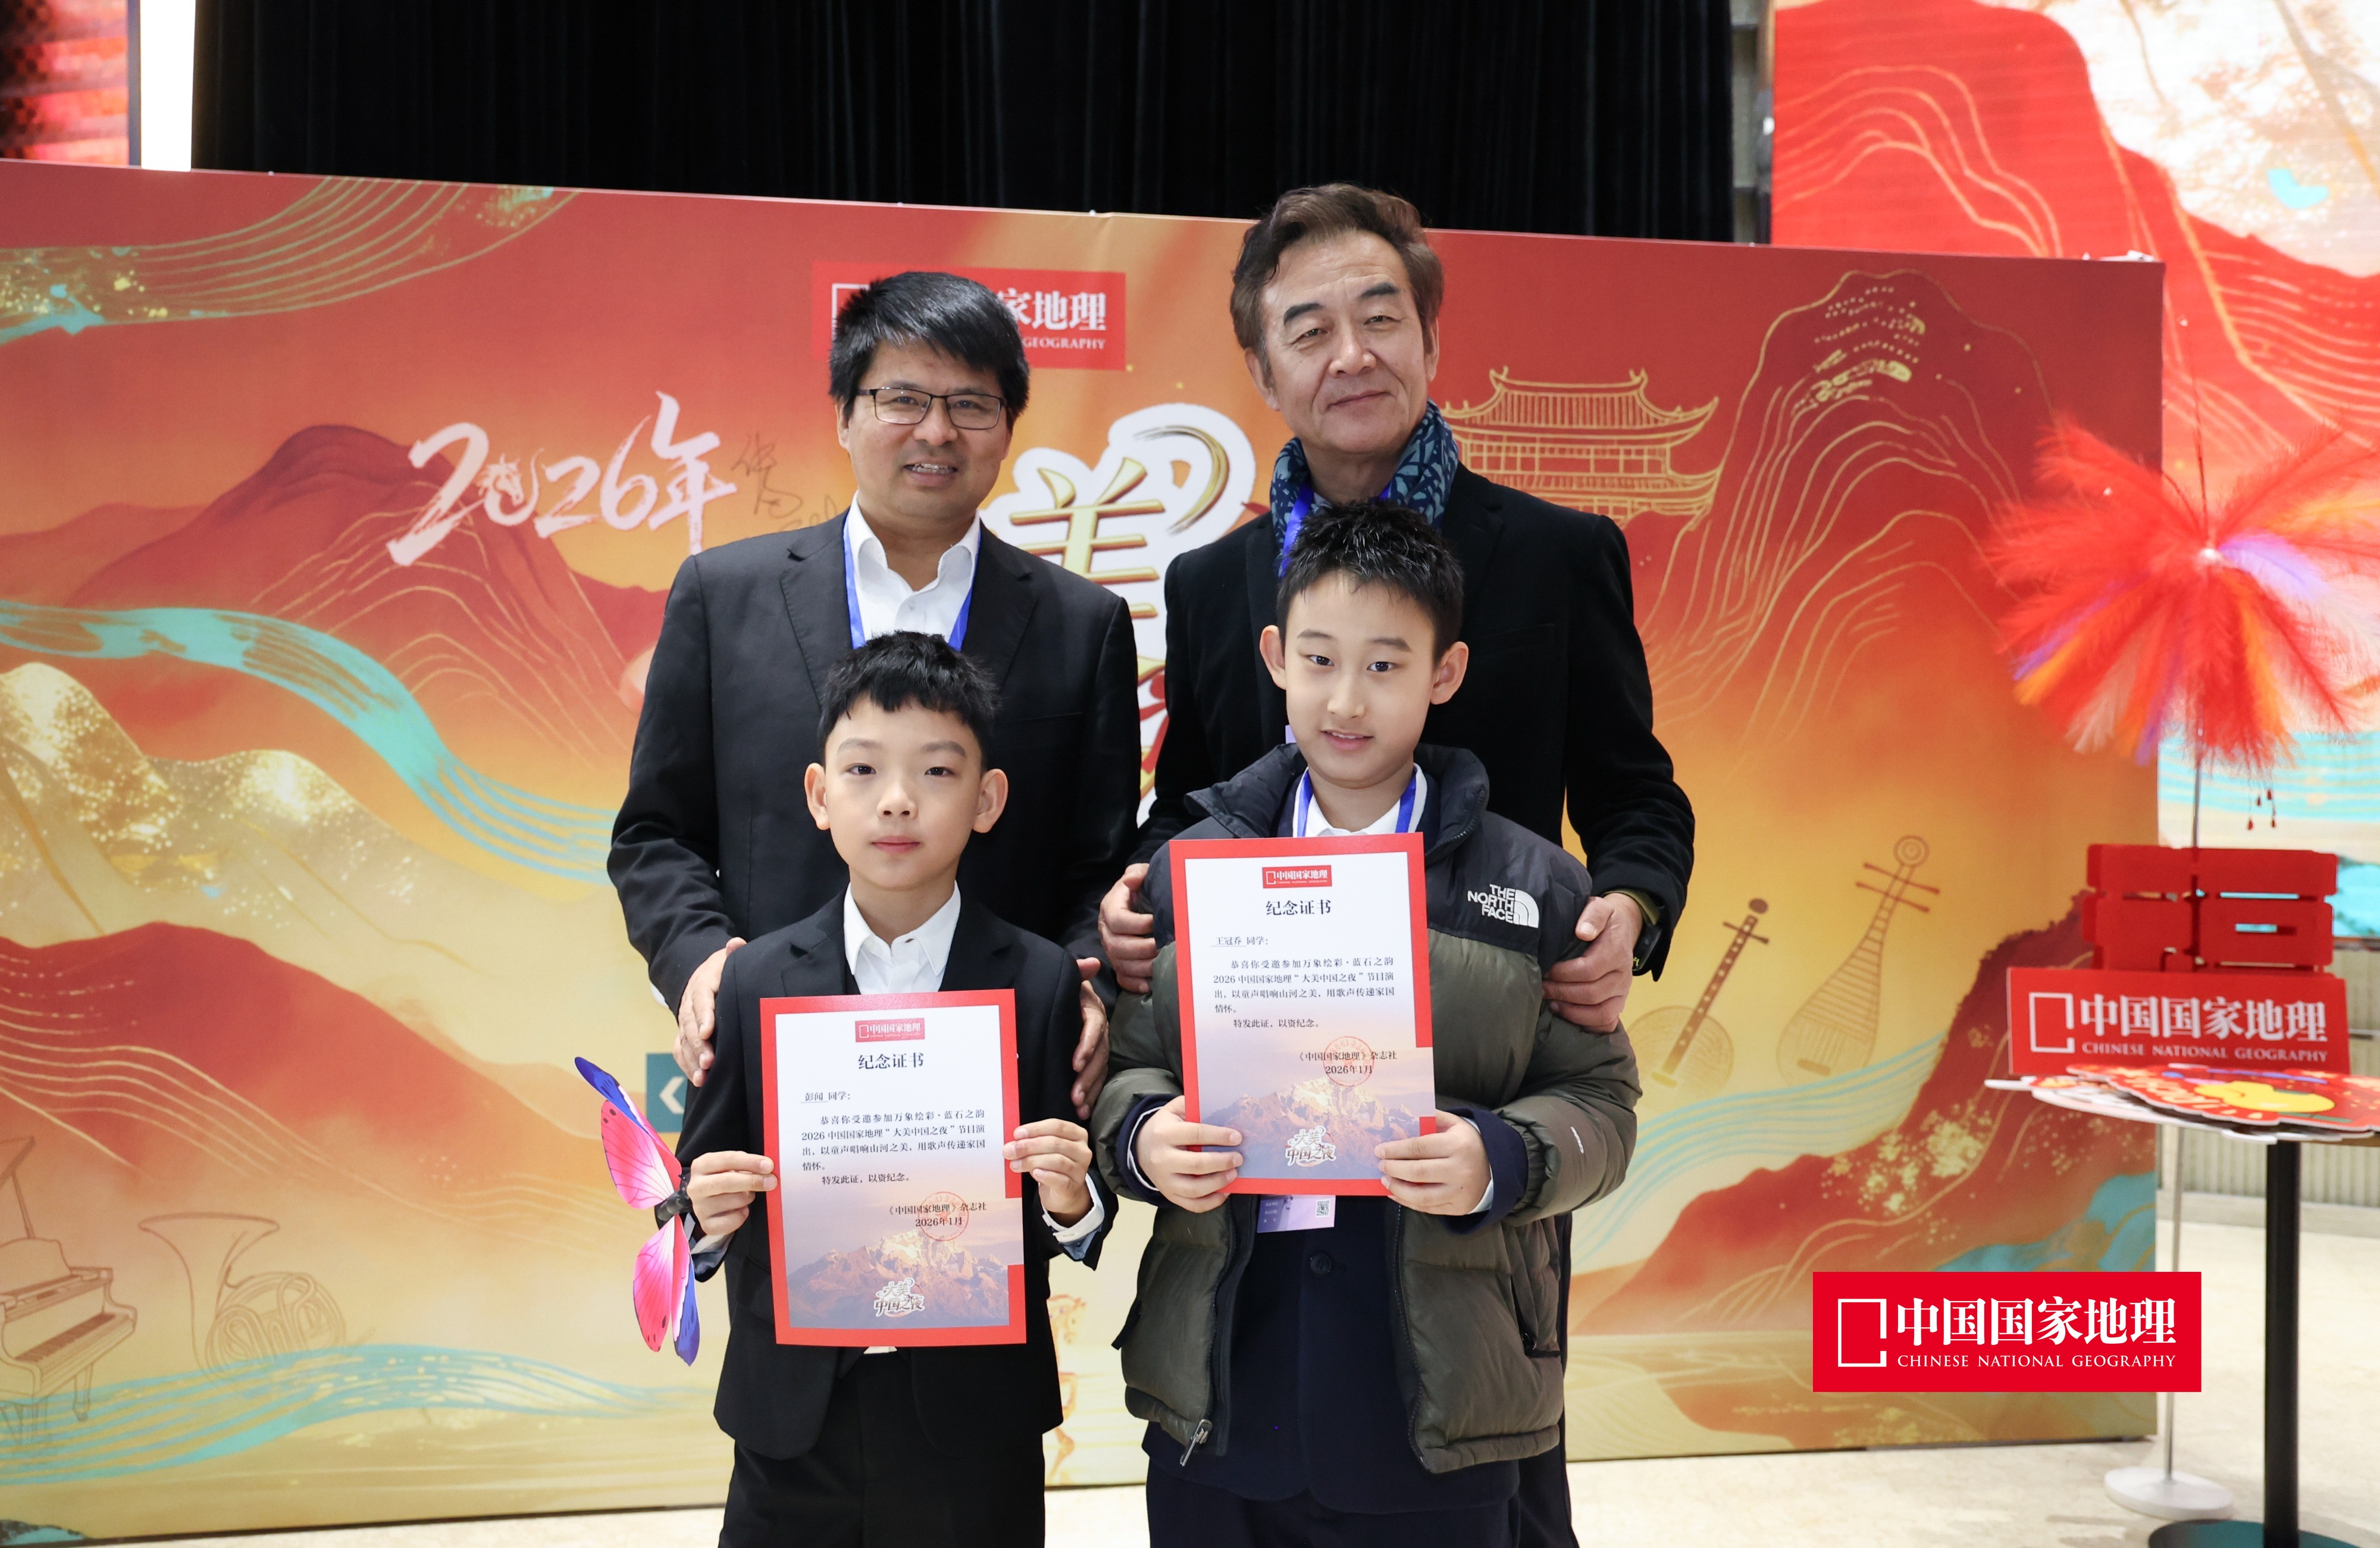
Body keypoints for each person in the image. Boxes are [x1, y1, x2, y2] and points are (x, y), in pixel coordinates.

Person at [1099, 186, 1693, 1543]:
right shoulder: (1214, 585)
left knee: (1481, 1462)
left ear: (1430, 337)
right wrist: (1129, 906)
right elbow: (1186, 806)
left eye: (1380, 315)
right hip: (1264, 1123)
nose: (1350, 352)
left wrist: (1627, 905)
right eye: (1307, 328)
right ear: (1262, 370)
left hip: (1473, 1106)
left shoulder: (1555, 553)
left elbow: (1635, 794)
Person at [1094, 503, 1640, 1548]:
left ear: (1446, 672)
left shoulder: (1533, 886)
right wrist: (1144, 1139)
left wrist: (1500, 1159)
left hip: (1437, 1402)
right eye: (1320, 660)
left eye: (1386, 665)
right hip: (1222, 1382)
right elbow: (1127, 1068)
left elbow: (1602, 1104)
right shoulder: (1189, 874)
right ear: (1275, 658)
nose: (1347, 700)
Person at [615, 270, 1141, 1118]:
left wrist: (1084, 985)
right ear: (843, 415)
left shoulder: (1084, 623)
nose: (936, 430)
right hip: (774, 1064)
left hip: (993, 1082)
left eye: (971, 404)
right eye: (902, 399)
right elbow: (656, 833)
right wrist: (700, 962)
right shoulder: (724, 596)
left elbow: (1100, 861)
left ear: (1009, 426)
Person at [678, 632, 1115, 1547]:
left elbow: (1071, 1217)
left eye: (938, 770)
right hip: (793, 1419)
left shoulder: (1038, 979)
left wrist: (1072, 1201)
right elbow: (689, 1199)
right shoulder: (754, 979)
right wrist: (703, 1216)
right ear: (818, 794)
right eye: (864, 768)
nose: (898, 799)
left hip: (971, 1425)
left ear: (987, 799)